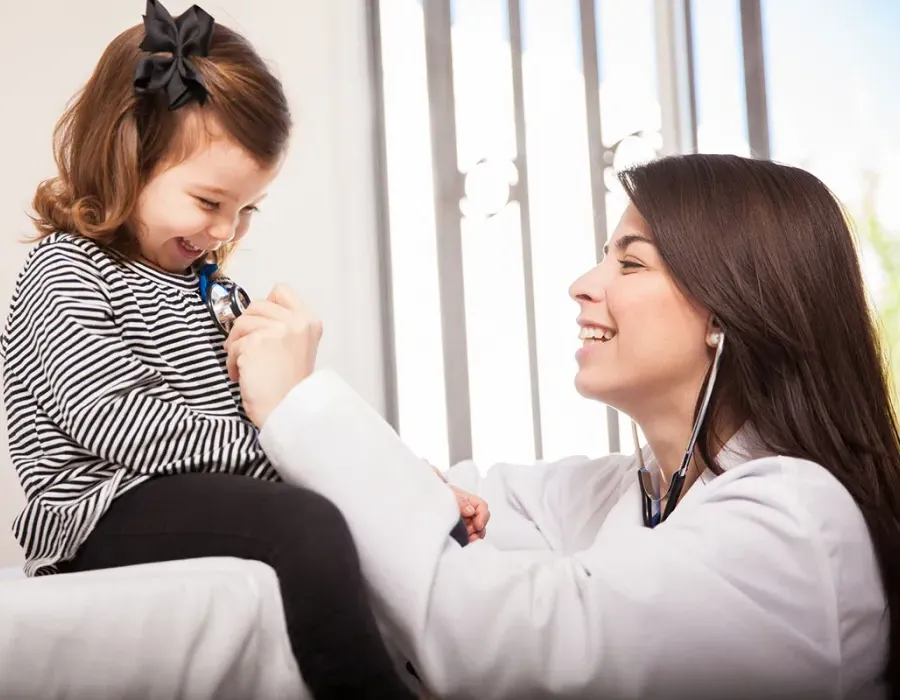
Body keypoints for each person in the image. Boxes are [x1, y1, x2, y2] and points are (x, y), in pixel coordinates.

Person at [226, 153, 900, 699]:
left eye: (630, 263)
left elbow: (507, 645)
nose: (582, 283)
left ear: (729, 311)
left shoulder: (796, 521)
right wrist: (411, 489)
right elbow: (445, 510)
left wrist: (300, 403)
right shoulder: (618, 492)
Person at [0, 1, 487, 697]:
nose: (226, 228)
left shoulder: (215, 290)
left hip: (199, 493)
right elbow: (112, 420)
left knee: (372, 519)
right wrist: (290, 460)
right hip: (98, 514)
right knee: (304, 523)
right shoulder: (67, 269)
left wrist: (401, 479)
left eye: (248, 209)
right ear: (127, 155)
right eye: (209, 201)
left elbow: (287, 414)